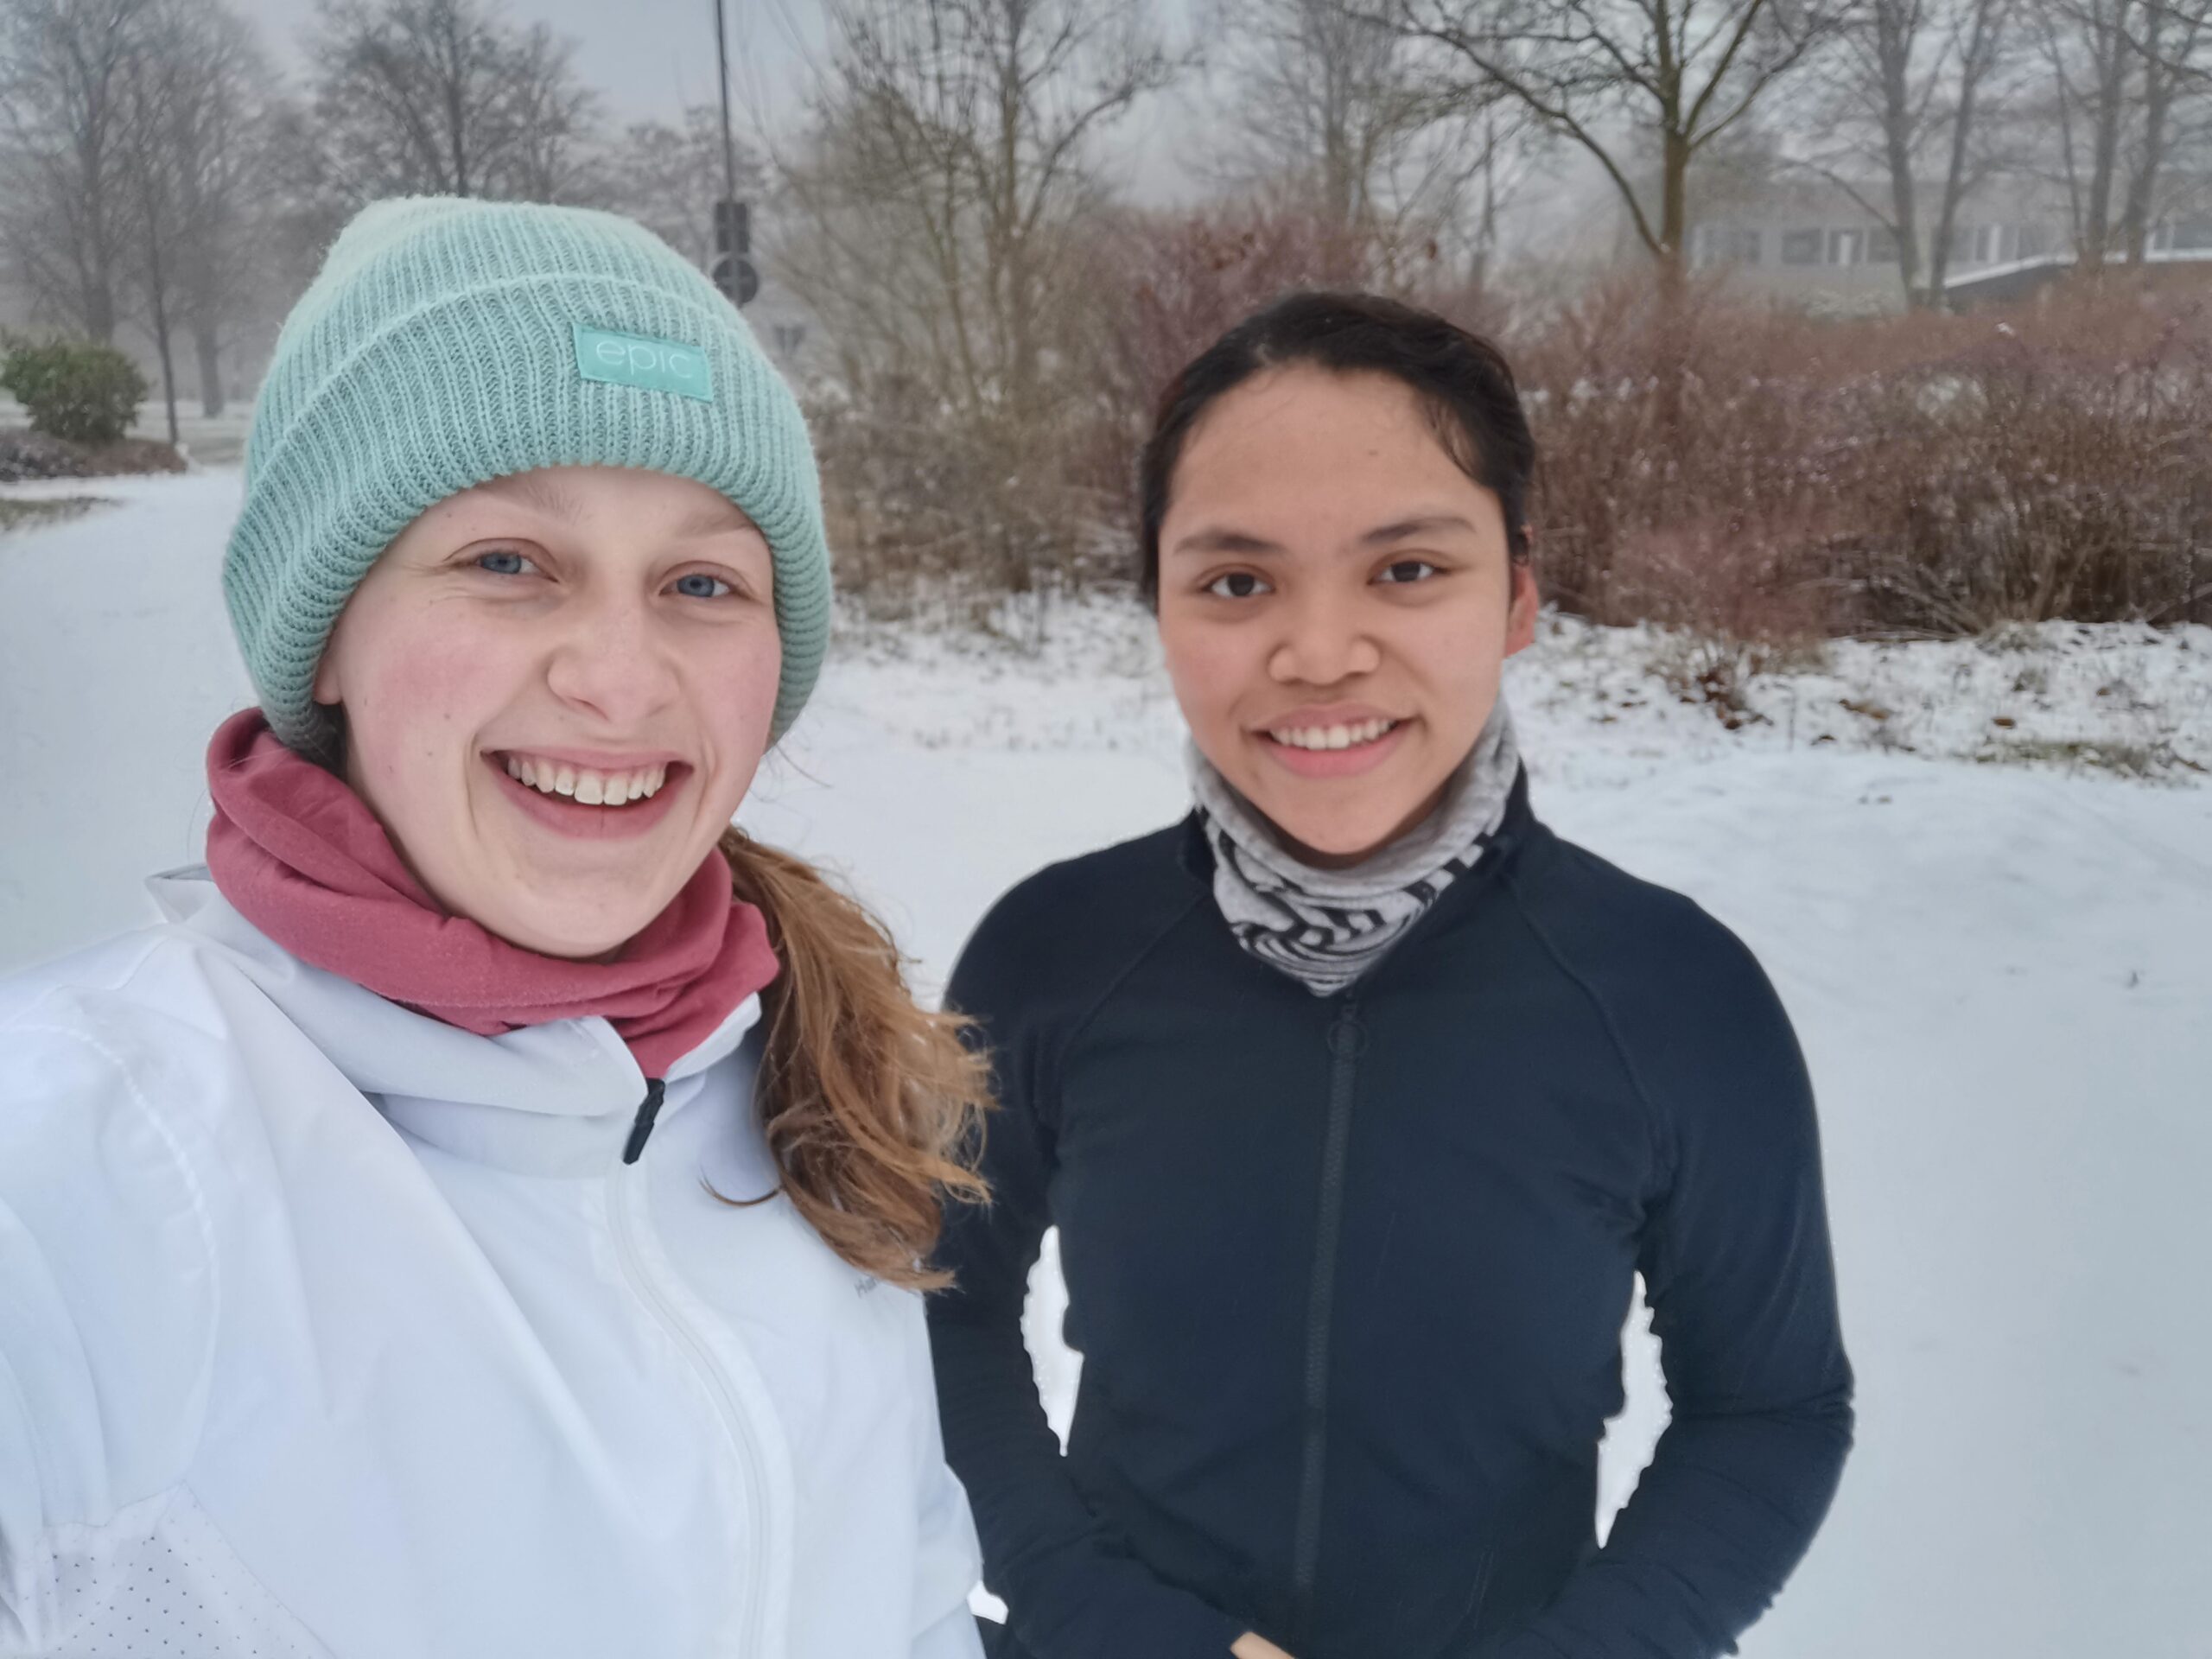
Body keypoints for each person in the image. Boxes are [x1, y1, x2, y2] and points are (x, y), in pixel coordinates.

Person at [0, 197, 988, 1658]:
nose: (617, 676)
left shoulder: (812, 1091)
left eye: (702, 583)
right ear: (328, 631)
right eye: (508, 562)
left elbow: (908, 1596)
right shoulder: (74, 1165)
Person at [926, 291, 1854, 1659]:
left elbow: (1769, 1410)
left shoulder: (1672, 997)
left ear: (1520, 592)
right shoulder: (1053, 956)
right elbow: (940, 1320)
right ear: (1163, 604)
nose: (1318, 654)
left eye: (1407, 570)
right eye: (1238, 581)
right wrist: (1114, 1627)